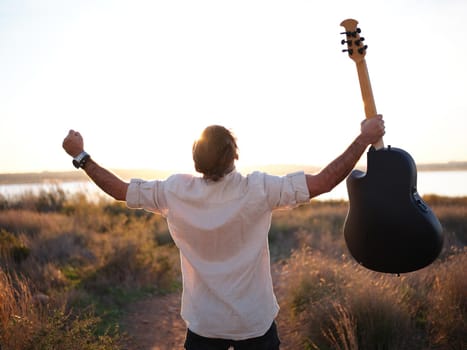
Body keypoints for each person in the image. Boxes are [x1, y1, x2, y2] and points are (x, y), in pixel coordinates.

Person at [62, 115, 385, 350]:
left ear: (196, 160)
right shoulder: (258, 188)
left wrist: (81, 155)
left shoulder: (175, 191)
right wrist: (363, 139)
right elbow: (324, 181)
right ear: (234, 155)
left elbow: (119, 189)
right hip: (255, 324)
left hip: (204, 325)